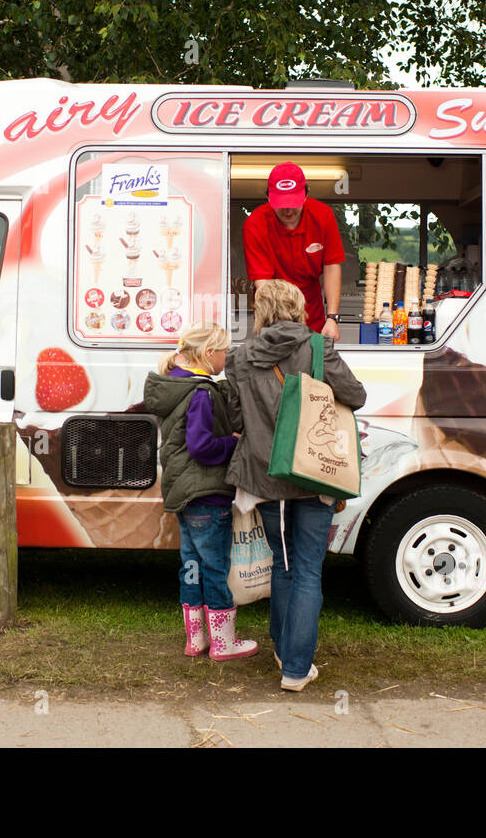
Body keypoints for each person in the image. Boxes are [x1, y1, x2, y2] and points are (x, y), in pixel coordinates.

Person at [224, 279, 366, 692]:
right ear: (299, 307)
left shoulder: (239, 357)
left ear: (261, 311)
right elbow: (355, 396)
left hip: (264, 478)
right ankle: (296, 668)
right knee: (306, 570)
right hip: (315, 474)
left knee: (283, 566)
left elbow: (235, 420)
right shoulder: (319, 348)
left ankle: (286, 652)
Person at [144, 321, 257, 661]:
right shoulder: (202, 393)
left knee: (191, 566)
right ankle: (224, 642)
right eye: (225, 351)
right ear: (209, 354)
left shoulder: (174, 386)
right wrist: (232, 443)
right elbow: (201, 446)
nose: (227, 357)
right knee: (215, 567)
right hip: (207, 494)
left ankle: (196, 640)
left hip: (184, 494)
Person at [242, 162, 347, 341]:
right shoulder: (255, 224)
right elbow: (263, 283)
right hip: (273, 315)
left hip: (313, 315)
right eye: (282, 204)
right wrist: (278, 326)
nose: (288, 210)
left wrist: (332, 318)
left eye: (293, 203)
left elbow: (331, 267)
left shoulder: (323, 216)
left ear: (306, 195)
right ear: (269, 198)